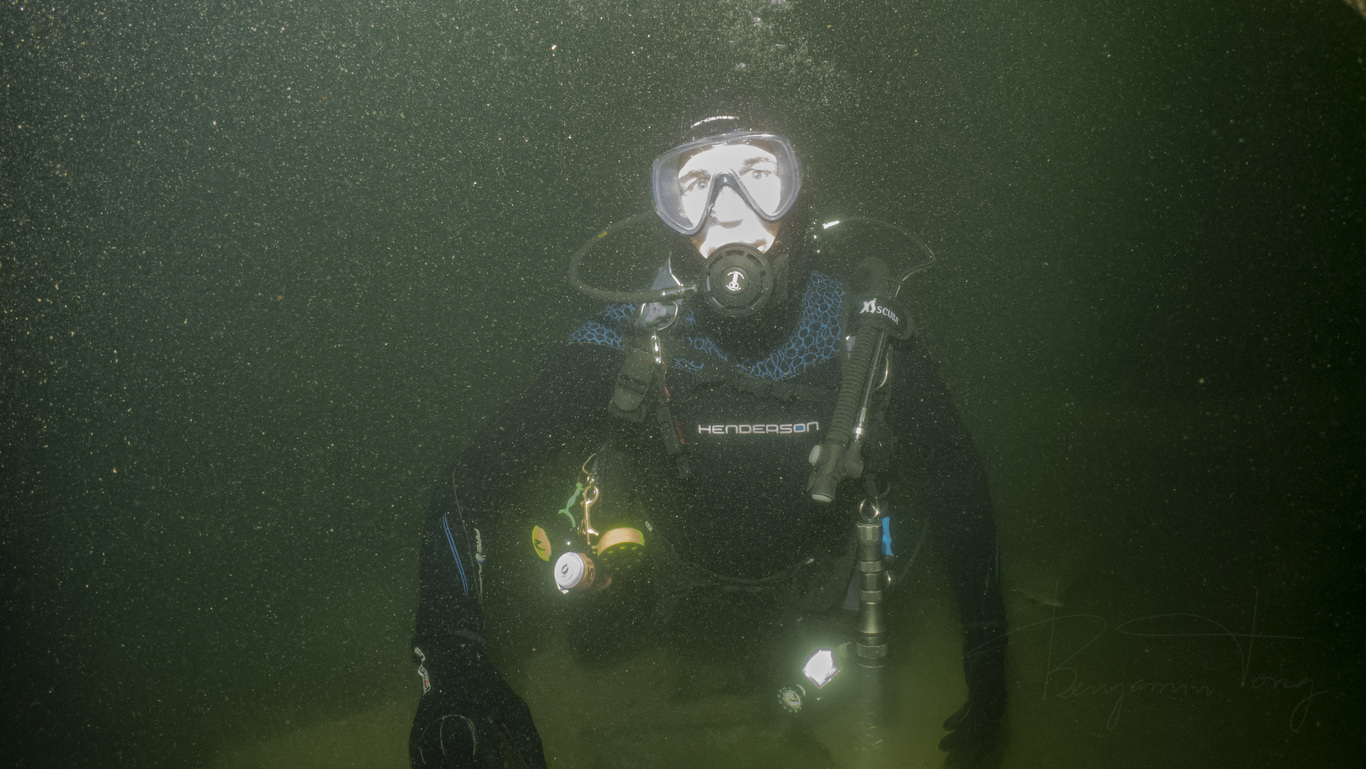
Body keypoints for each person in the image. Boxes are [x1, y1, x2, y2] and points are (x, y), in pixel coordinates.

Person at [407, 96, 1008, 768]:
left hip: (818, 600)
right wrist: (454, 666)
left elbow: (958, 483)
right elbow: (466, 486)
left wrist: (989, 653)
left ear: (799, 189)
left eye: (757, 172)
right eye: (694, 183)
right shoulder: (628, 336)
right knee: (593, 641)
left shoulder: (863, 335)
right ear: (666, 210)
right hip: (664, 593)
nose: (726, 209)